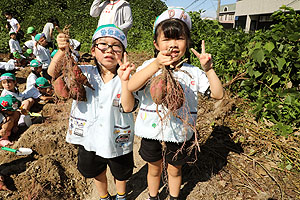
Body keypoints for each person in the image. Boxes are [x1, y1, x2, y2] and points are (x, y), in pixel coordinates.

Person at [127, 8, 224, 200]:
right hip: (151, 131)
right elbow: (131, 85)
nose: (173, 45)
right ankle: (152, 196)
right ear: (156, 43)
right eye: (167, 39)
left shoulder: (193, 72)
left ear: (187, 43)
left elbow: (218, 94)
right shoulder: (149, 66)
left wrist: (209, 69)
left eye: (179, 38)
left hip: (180, 132)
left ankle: (173, 197)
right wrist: (156, 64)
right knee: (154, 169)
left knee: (175, 170)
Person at [48, 24, 137, 200]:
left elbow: (128, 107)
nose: (109, 50)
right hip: (88, 136)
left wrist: (125, 80)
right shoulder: (84, 72)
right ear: (93, 51)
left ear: (123, 52)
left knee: (120, 171)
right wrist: (61, 51)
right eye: (103, 45)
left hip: (118, 135)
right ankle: (104, 196)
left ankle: (121, 195)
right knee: (96, 170)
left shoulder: (129, 77)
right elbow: (52, 72)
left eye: (116, 46)